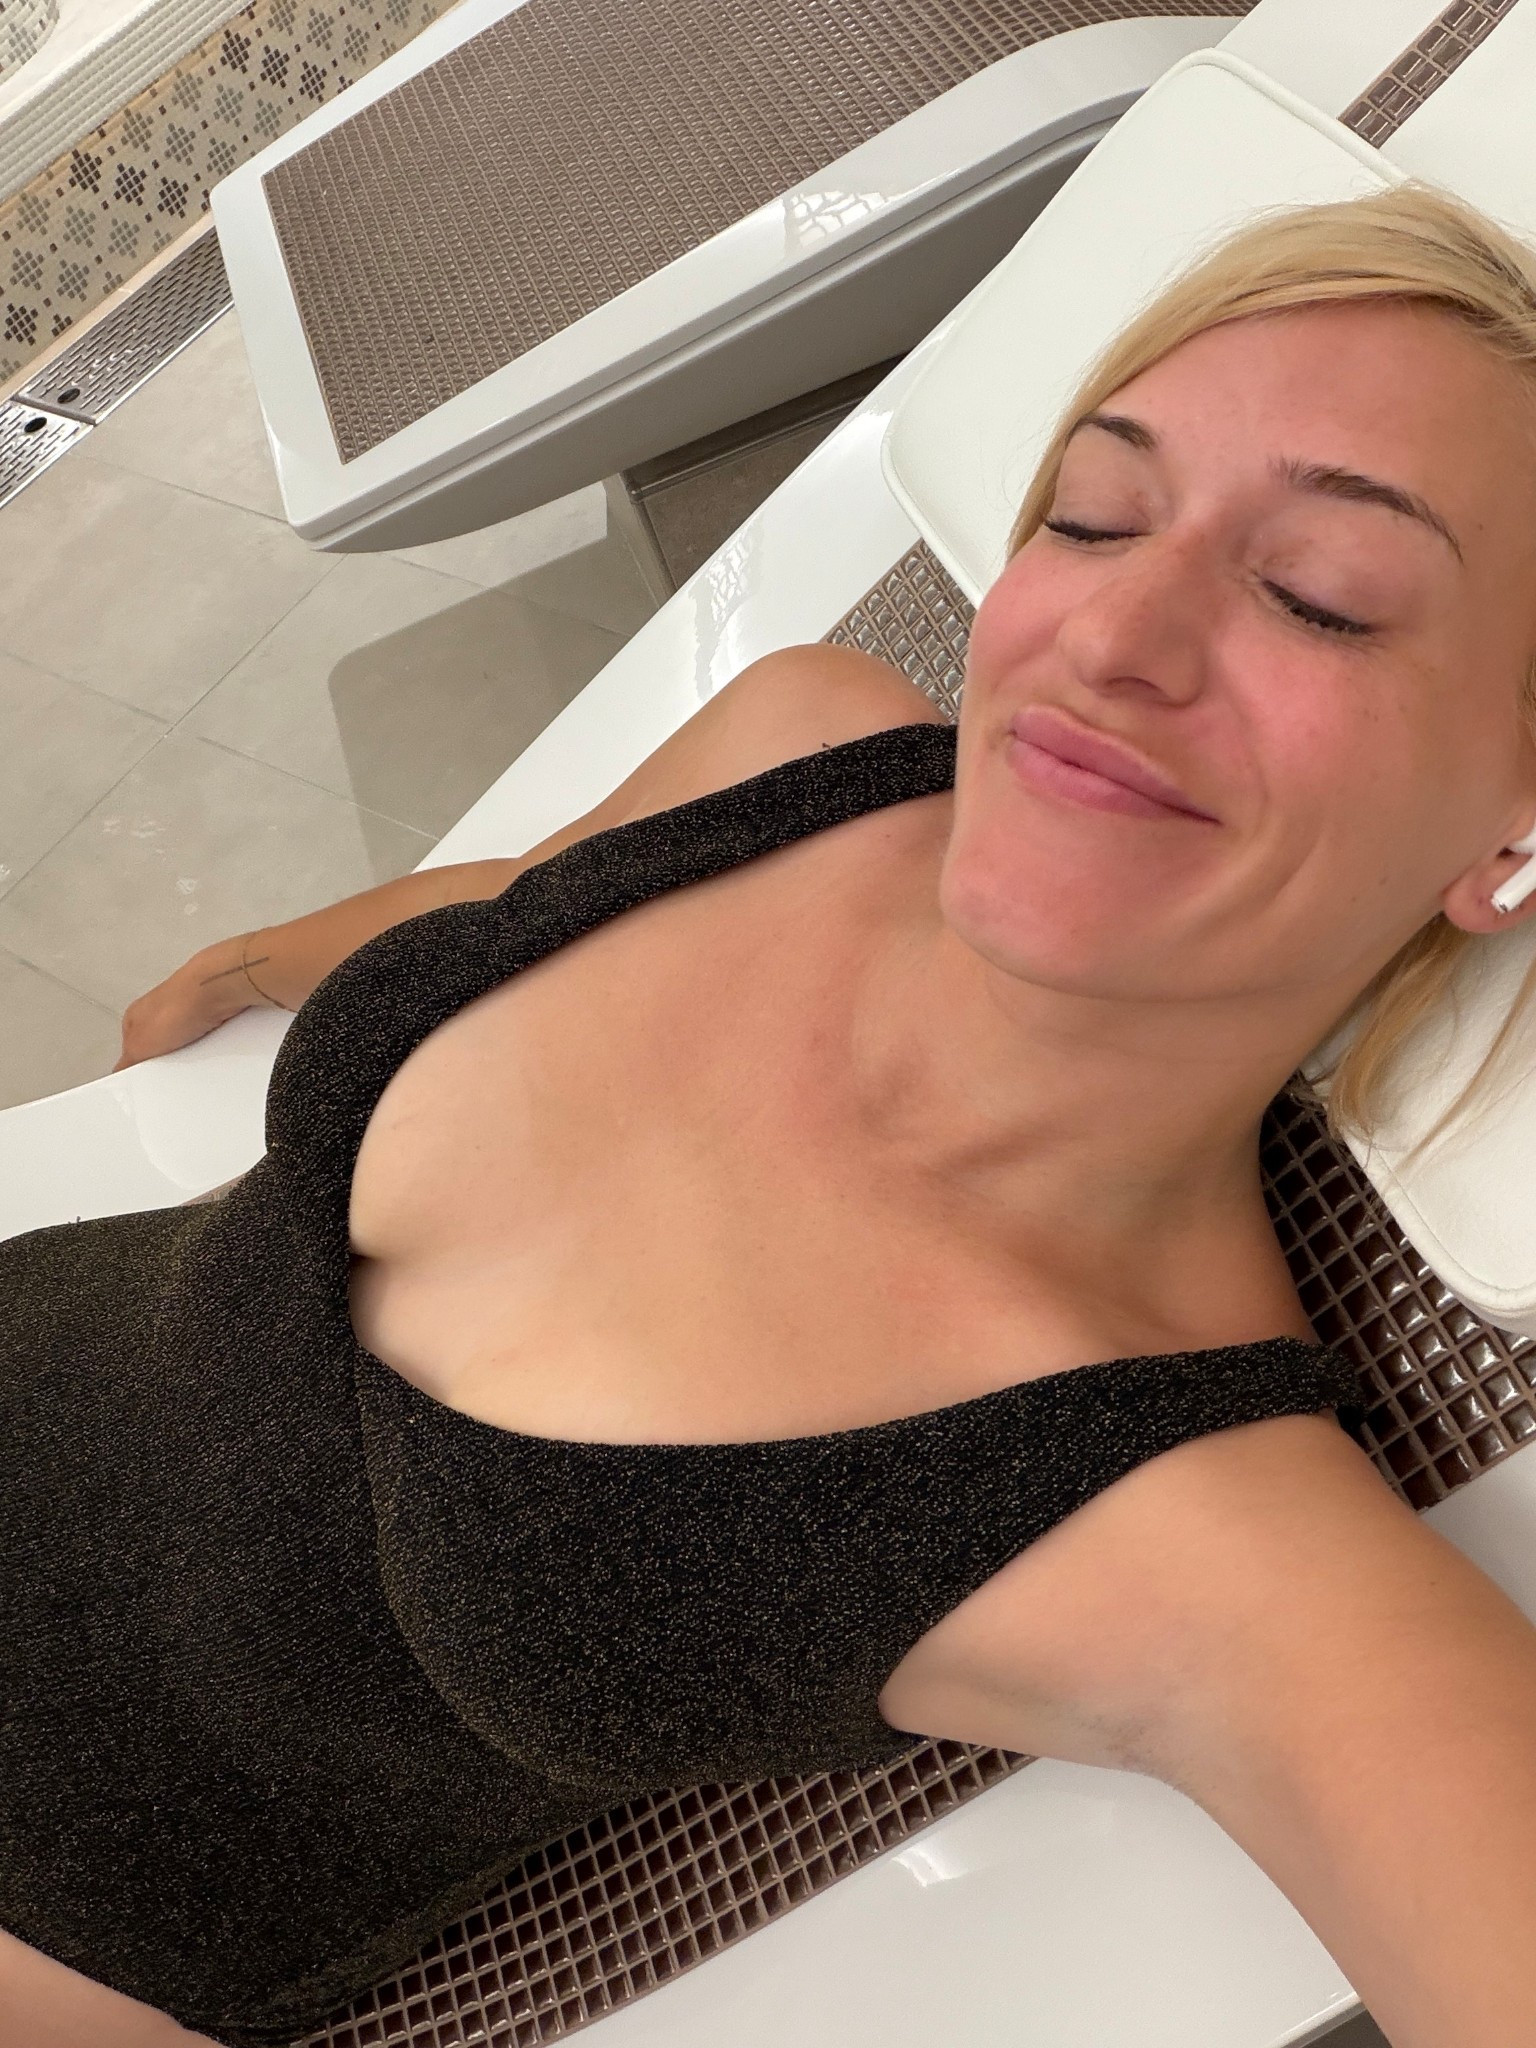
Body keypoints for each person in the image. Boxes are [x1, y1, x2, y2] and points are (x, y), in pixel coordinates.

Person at [6, 181, 1536, 2048]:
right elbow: (514, 895)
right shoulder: (809, 751)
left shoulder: (1184, 1528)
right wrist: (259, 957)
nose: (1111, 633)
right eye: (1093, 513)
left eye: (1322, 596)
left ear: (1514, 823)